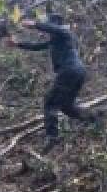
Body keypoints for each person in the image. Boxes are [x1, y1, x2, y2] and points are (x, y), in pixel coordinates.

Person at [6, 14, 96, 151]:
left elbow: (53, 29)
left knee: (50, 103)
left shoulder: (65, 33)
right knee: (67, 107)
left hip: (69, 71)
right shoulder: (56, 40)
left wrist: (35, 24)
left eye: (50, 26)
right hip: (76, 72)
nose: (48, 32)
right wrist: (17, 44)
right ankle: (93, 118)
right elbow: (36, 46)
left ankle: (52, 136)